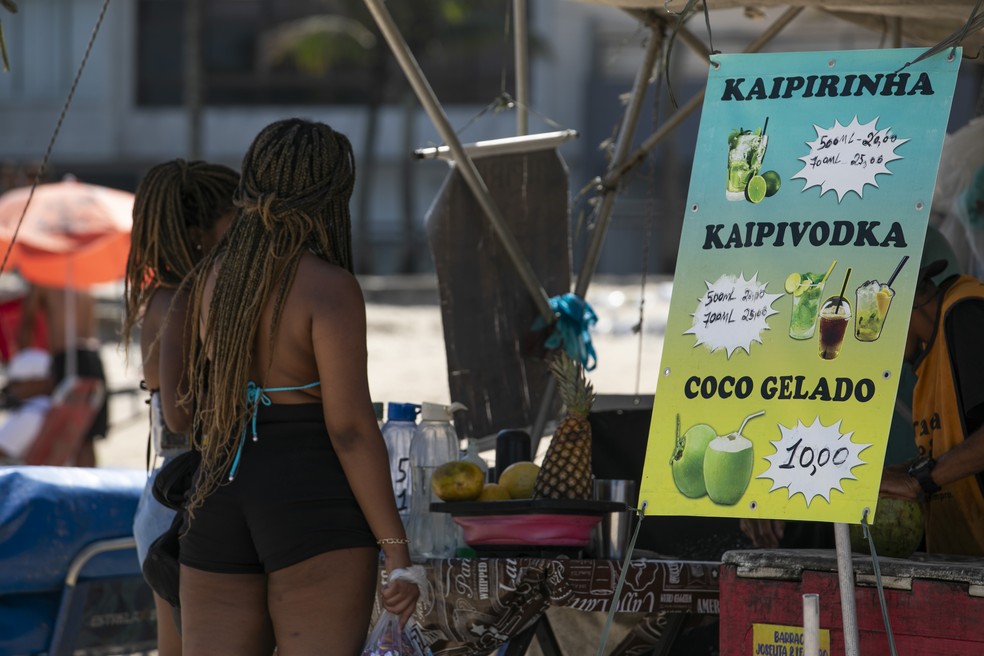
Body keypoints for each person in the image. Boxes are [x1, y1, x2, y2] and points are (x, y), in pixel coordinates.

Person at [178, 118, 418, 654]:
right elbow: (351, 430)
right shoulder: (329, 289)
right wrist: (397, 550)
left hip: (219, 491)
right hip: (311, 500)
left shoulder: (215, 277)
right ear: (333, 196)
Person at [121, 159, 240, 656]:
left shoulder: (164, 297)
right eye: (233, 227)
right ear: (197, 234)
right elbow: (178, 416)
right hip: (180, 502)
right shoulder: (179, 302)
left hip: (166, 501)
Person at [879, 225, 984, 557]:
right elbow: (961, 445)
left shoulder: (966, 315)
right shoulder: (926, 365)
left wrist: (921, 480)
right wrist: (910, 470)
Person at [15, 283, 108, 467]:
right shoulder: (83, 277)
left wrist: (21, 363)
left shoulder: (43, 279)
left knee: (61, 434)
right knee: (86, 438)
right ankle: (88, 489)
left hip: (67, 357)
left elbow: (27, 322)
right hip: (93, 356)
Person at [0, 348, 53, 463]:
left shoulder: (31, 413)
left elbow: (2, 451)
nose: (12, 389)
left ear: (37, 381)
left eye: (16, 382)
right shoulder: (48, 407)